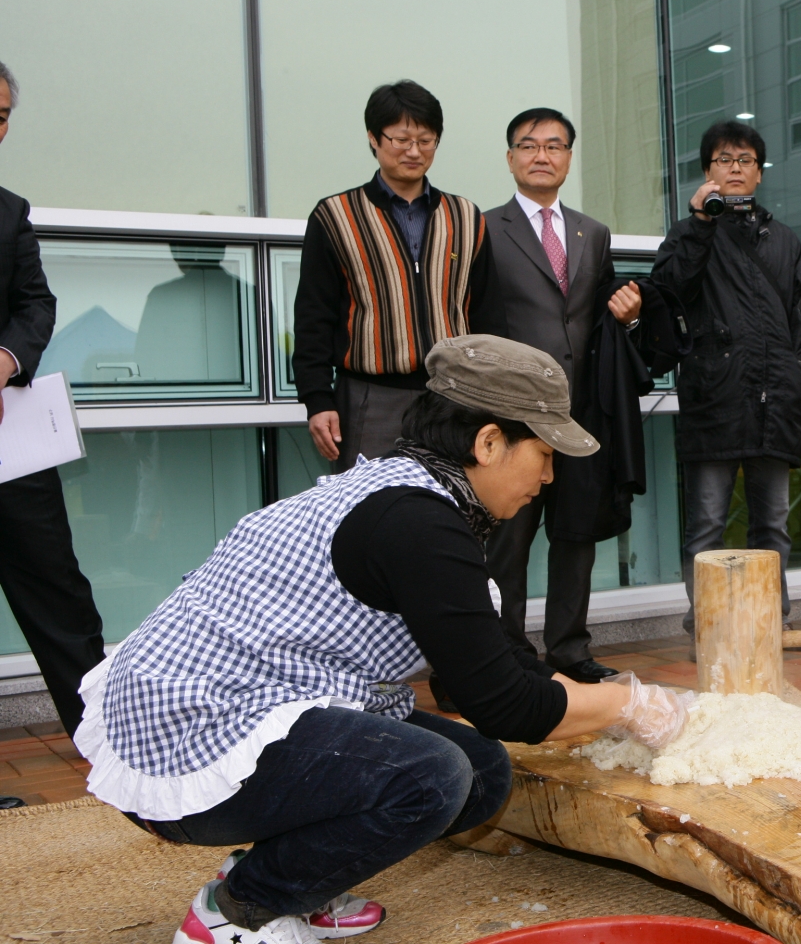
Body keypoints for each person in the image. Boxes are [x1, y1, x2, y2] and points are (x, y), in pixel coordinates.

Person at [75, 335, 690, 944]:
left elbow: (499, 665)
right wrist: (624, 705)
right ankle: (239, 910)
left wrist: (618, 700)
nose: (550, 476)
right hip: (188, 726)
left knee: (481, 773)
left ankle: (294, 879)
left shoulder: (418, 496)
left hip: (251, 702)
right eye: (545, 453)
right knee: (432, 777)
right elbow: (502, 705)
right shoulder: (418, 523)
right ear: (489, 441)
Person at [482, 107, 642, 684]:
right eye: (528, 145)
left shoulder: (591, 232)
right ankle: (504, 652)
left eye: (554, 146)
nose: (541, 155)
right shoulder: (483, 228)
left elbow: (601, 314)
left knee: (576, 535)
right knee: (508, 540)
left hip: (579, 414)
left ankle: (569, 649)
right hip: (513, 413)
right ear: (510, 158)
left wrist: (628, 311)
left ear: (569, 159)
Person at [651, 121, 801, 640]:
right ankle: (708, 626)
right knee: (707, 527)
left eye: (745, 160)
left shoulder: (783, 239)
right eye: (724, 160)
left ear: (760, 174)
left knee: (773, 526)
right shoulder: (687, 232)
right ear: (707, 171)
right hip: (714, 397)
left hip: (775, 401)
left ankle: (774, 624)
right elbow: (669, 293)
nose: (735, 168)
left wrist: (798, 376)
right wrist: (700, 224)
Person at [293, 80, 505, 471]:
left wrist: (488, 394)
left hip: (453, 399)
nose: (414, 151)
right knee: (368, 512)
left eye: (426, 140)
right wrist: (318, 399)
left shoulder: (466, 217)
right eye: (401, 139)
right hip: (370, 398)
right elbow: (313, 316)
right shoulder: (335, 216)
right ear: (373, 138)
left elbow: (487, 315)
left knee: (452, 508)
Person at [0, 60, 105, 750]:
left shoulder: (9, 211)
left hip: (12, 447)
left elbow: (36, 304)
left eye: (2, 116)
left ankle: (113, 747)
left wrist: (7, 358)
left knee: (59, 595)